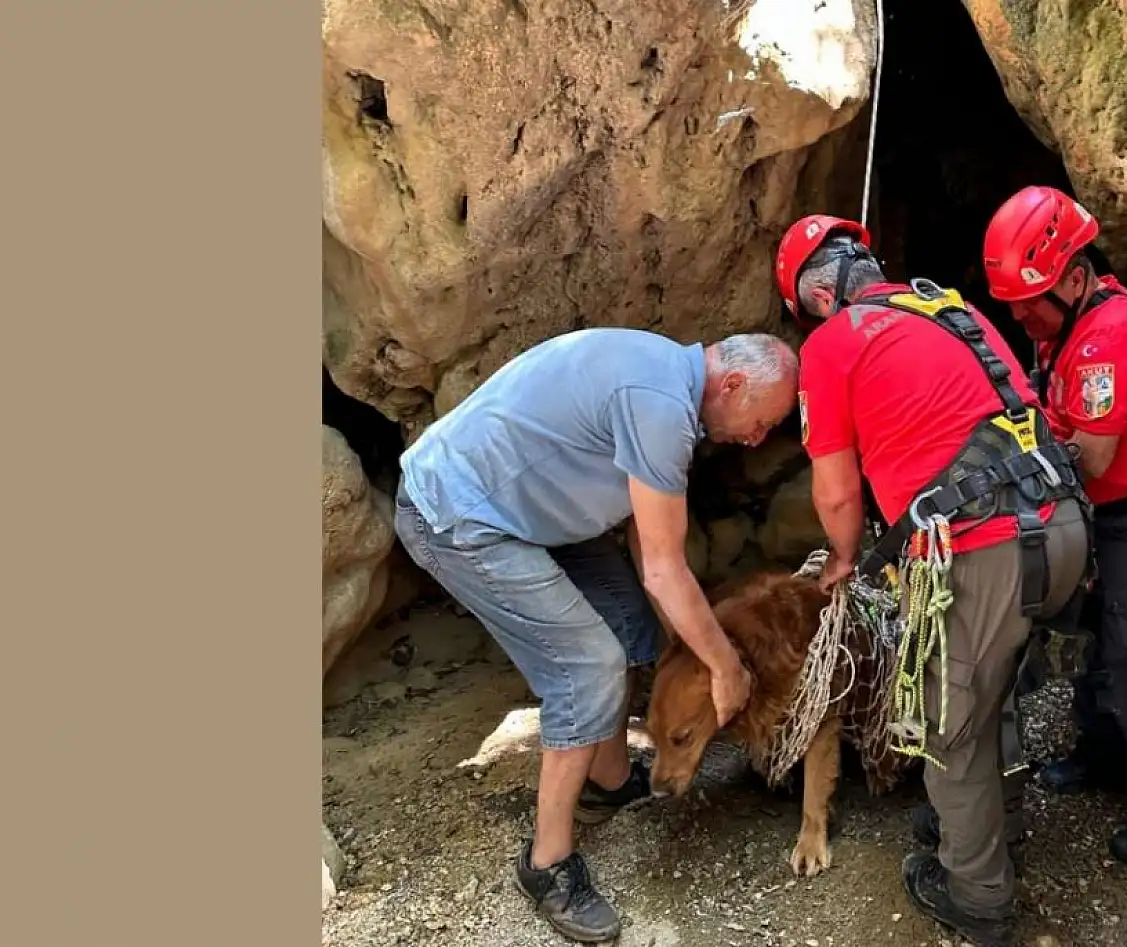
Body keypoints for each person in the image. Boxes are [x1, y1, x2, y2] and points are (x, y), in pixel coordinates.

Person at [391, 327, 799, 942]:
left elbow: (647, 537)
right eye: (763, 420)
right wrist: (726, 668)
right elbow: (666, 569)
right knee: (588, 667)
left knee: (630, 623)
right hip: (459, 517)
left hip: (524, 513)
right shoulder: (660, 406)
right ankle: (547, 862)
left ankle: (608, 781)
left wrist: (685, 641)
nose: (757, 437)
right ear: (735, 385)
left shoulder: (667, 381)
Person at [775, 214, 1091, 947]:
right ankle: (991, 824)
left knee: (951, 729)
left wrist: (844, 555)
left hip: (985, 548)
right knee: (994, 688)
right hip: (1064, 524)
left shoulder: (830, 345)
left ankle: (977, 894)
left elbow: (834, 493)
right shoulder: (949, 305)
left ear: (817, 299)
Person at [979, 184, 1127, 870]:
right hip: (1109, 515)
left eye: (1032, 300)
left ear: (1077, 277)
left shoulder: (1112, 336)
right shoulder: (1070, 329)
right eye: (1013, 303)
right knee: (1100, 638)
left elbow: (1091, 455)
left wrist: (1006, 477)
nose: (1021, 315)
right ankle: (1110, 754)